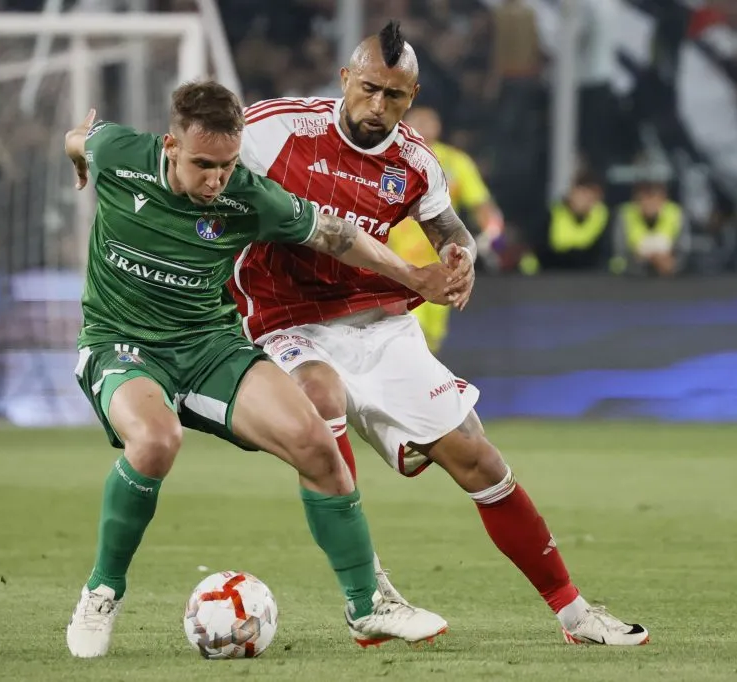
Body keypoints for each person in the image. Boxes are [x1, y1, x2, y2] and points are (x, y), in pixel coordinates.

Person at [229, 21, 649, 646]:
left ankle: (574, 612)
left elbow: (451, 229)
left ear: (414, 95)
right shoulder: (275, 127)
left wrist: (461, 257)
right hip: (287, 320)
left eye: (395, 97)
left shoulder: (413, 163)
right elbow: (191, 157)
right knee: (321, 399)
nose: (379, 107)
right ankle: (367, 596)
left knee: (478, 457)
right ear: (345, 78)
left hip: (381, 321)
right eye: (369, 89)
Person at [63, 80, 456, 658]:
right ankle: (102, 591)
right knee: (156, 440)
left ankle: (367, 605)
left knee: (315, 442)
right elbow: (81, 138)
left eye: (225, 165)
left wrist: (411, 274)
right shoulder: (121, 153)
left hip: (209, 345)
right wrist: (77, 151)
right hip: (123, 344)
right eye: (202, 165)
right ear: (169, 145)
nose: (215, 179)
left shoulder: (248, 195)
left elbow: (338, 235)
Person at [388, 105, 504, 353]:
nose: (423, 125)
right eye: (417, 119)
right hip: (397, 266)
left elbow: (481, 204)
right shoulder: (387, 156)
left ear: (438, 126)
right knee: (406, 339)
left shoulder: (456, 162)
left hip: (441, 267)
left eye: (430, 120)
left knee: (431, 342)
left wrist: (492, 231)